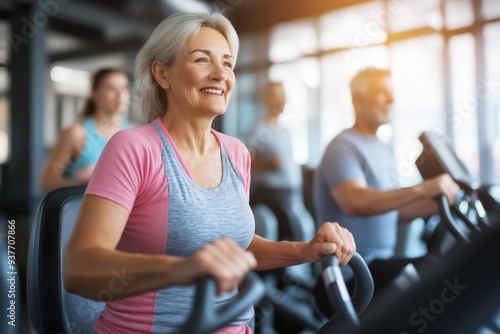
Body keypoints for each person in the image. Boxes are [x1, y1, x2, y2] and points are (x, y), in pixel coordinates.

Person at [63, 12, 355, 334]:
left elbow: (237, 248)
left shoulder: (236, 152)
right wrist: (187, 268)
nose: (220, 74)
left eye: (228, 64)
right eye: (203, 60)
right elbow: (80, 267)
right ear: (162, 73)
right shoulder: (133, 148)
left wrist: (306, 251)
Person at [312, 67, 460, 314]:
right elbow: (355, 201)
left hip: (377, 267)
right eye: (381, 93)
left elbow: (393, 210)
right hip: (349, 276)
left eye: (391, 93)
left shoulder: (383, 149)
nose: (391, 100)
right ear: (357, 100)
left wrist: (442, 203)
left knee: (448, 268)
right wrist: (423, 188)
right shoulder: (343, 146)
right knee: (432, 271)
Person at [39, 68, 131, 192]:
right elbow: (46, 182)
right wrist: (80, 181)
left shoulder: (133, 132)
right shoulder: (77, 133)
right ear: (94, 93)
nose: (120, 95)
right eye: (111, 88)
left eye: (124, 88)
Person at [246, 82, 307, 241]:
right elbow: (243, 162)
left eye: (282, 96)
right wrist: (267, 164)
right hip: (270, 194)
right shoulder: (260, 129)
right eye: (275, 96)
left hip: (291, 193)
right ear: (266, 100)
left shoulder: (283, 128)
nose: (280, 101)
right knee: (287, 236)